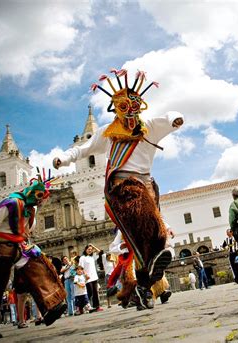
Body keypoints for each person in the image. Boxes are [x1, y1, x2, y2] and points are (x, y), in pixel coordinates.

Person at [53, 68, 182, 308]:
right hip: (123, 188)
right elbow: (84, 149)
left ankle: (145, 283)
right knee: (149, 230)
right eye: (125, 107)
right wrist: (65, 159)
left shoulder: (149, 127)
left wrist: (176, 119)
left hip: (146, 185)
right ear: (117, 109)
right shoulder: (108, 133)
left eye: (134, 106)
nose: (131, 112)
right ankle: (155, 262)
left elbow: (167, 118)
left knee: (143, 239)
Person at [0, 176, 67, 340]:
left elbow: (28, 229)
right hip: (2, 249)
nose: (42, 203)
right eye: (42, 198)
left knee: (39, 269)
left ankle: (50, 306)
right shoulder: (11, 203)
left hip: (19, 248)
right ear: (35, 194)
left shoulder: (30, 209)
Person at [79, 244, 103, 312]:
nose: (90, 250)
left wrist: (92, 246)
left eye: (91, 249)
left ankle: (97, 306)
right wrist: (85, 274)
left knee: (95, 292)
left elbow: (99, 251)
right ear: (85, 250)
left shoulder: (92, 257)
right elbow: (80, 267)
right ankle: (84, 306)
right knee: (90, 292)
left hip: (94, 277)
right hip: (87, 278)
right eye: (88, 249)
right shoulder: (82, 258)